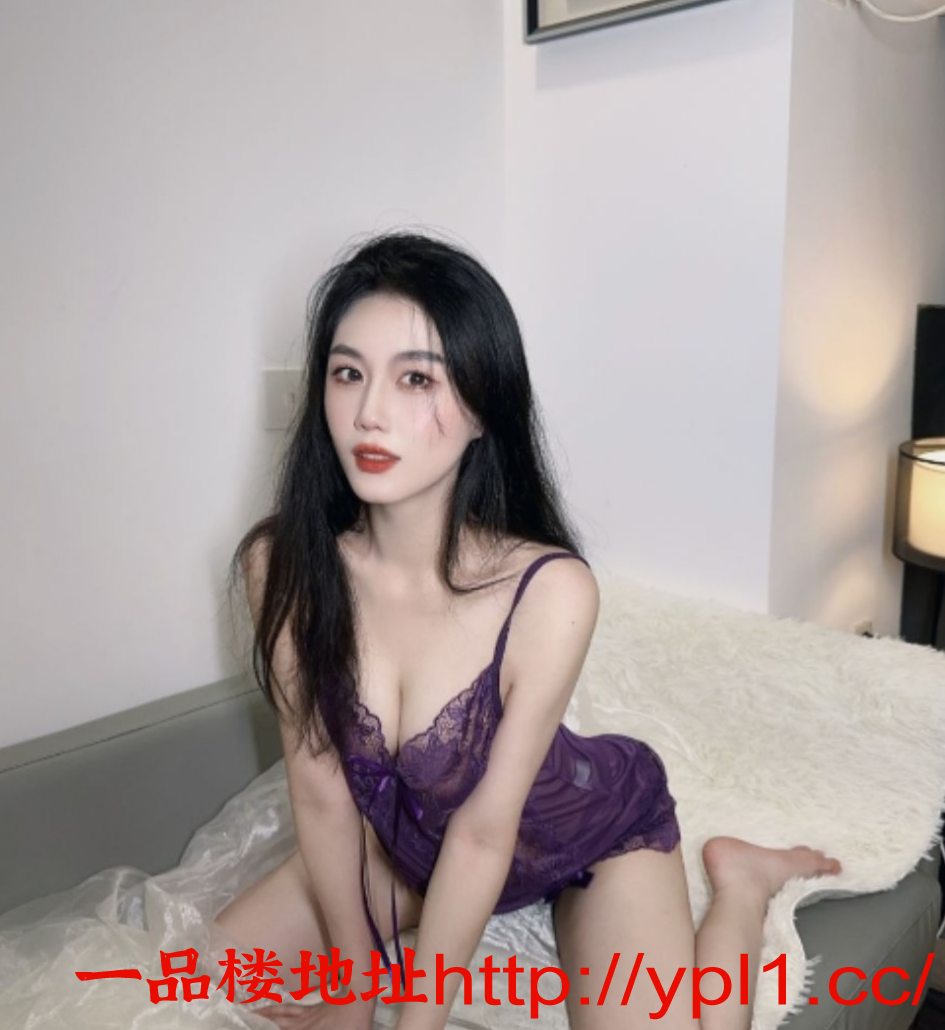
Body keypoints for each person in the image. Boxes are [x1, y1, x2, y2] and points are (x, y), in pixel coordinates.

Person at [215, 230, 841, 1030]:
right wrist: (352, 988)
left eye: (415, 379)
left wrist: (413, 1023)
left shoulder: (549, 592)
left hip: (584, 838)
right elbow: (321, 790)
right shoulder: (284, 565)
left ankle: (744, 883)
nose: (369, 414)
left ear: (483, 407)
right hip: (407, 853)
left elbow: (484, 834)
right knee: (204, 981)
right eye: (348, 373)